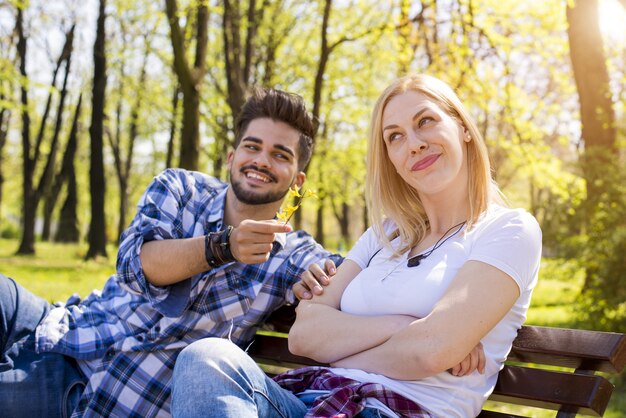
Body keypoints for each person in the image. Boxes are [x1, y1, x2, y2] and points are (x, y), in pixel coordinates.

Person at [171, 74, 542, 418]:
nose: (414, 144)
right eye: (395, 136)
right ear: (391, 159)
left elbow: (429, 351)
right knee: (205, 359)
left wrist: (344, 351)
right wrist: (406, 324)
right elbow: (305, 336)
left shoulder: (508, 230)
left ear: (462, 127)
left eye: (425, 121)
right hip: (320, 400)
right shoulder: (384, 235)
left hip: (395, 411)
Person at [0, 87, 342, 418]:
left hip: (85, 387)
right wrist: (225, 245)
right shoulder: (180, 188)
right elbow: (134, 267)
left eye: (279, 155)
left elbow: (356, 276)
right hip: (64, 325)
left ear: (297, 181)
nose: (261, 161)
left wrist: (322, 278)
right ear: (232, 157)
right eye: (252, 147)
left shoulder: (292, 256)